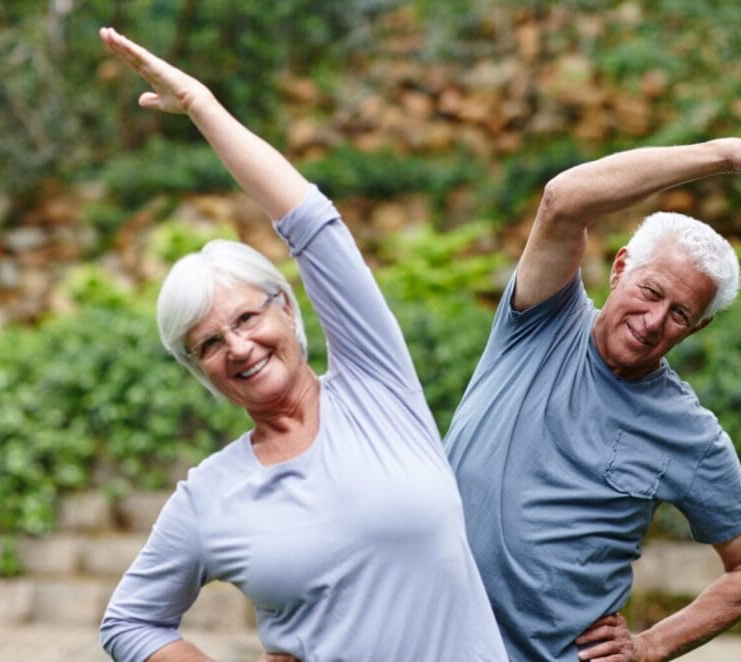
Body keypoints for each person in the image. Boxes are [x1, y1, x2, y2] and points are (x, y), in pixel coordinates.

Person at [96, 28, 508, 662]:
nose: (237, 346)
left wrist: (204, 108)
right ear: (201, 371)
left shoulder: (377, 387)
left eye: (246, 318)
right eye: (208, 343)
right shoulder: (210, 497)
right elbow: (130, 623)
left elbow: (313, 225)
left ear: (286, 309)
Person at [444, 136, 741, 661]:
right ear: (620, 270)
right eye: (651, 291)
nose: (654, 322)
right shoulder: (542, 319)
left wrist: (648, 647)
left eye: (681, 314)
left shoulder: (690, 432)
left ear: (698, 327)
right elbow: (562, 199)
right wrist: (727, 157)